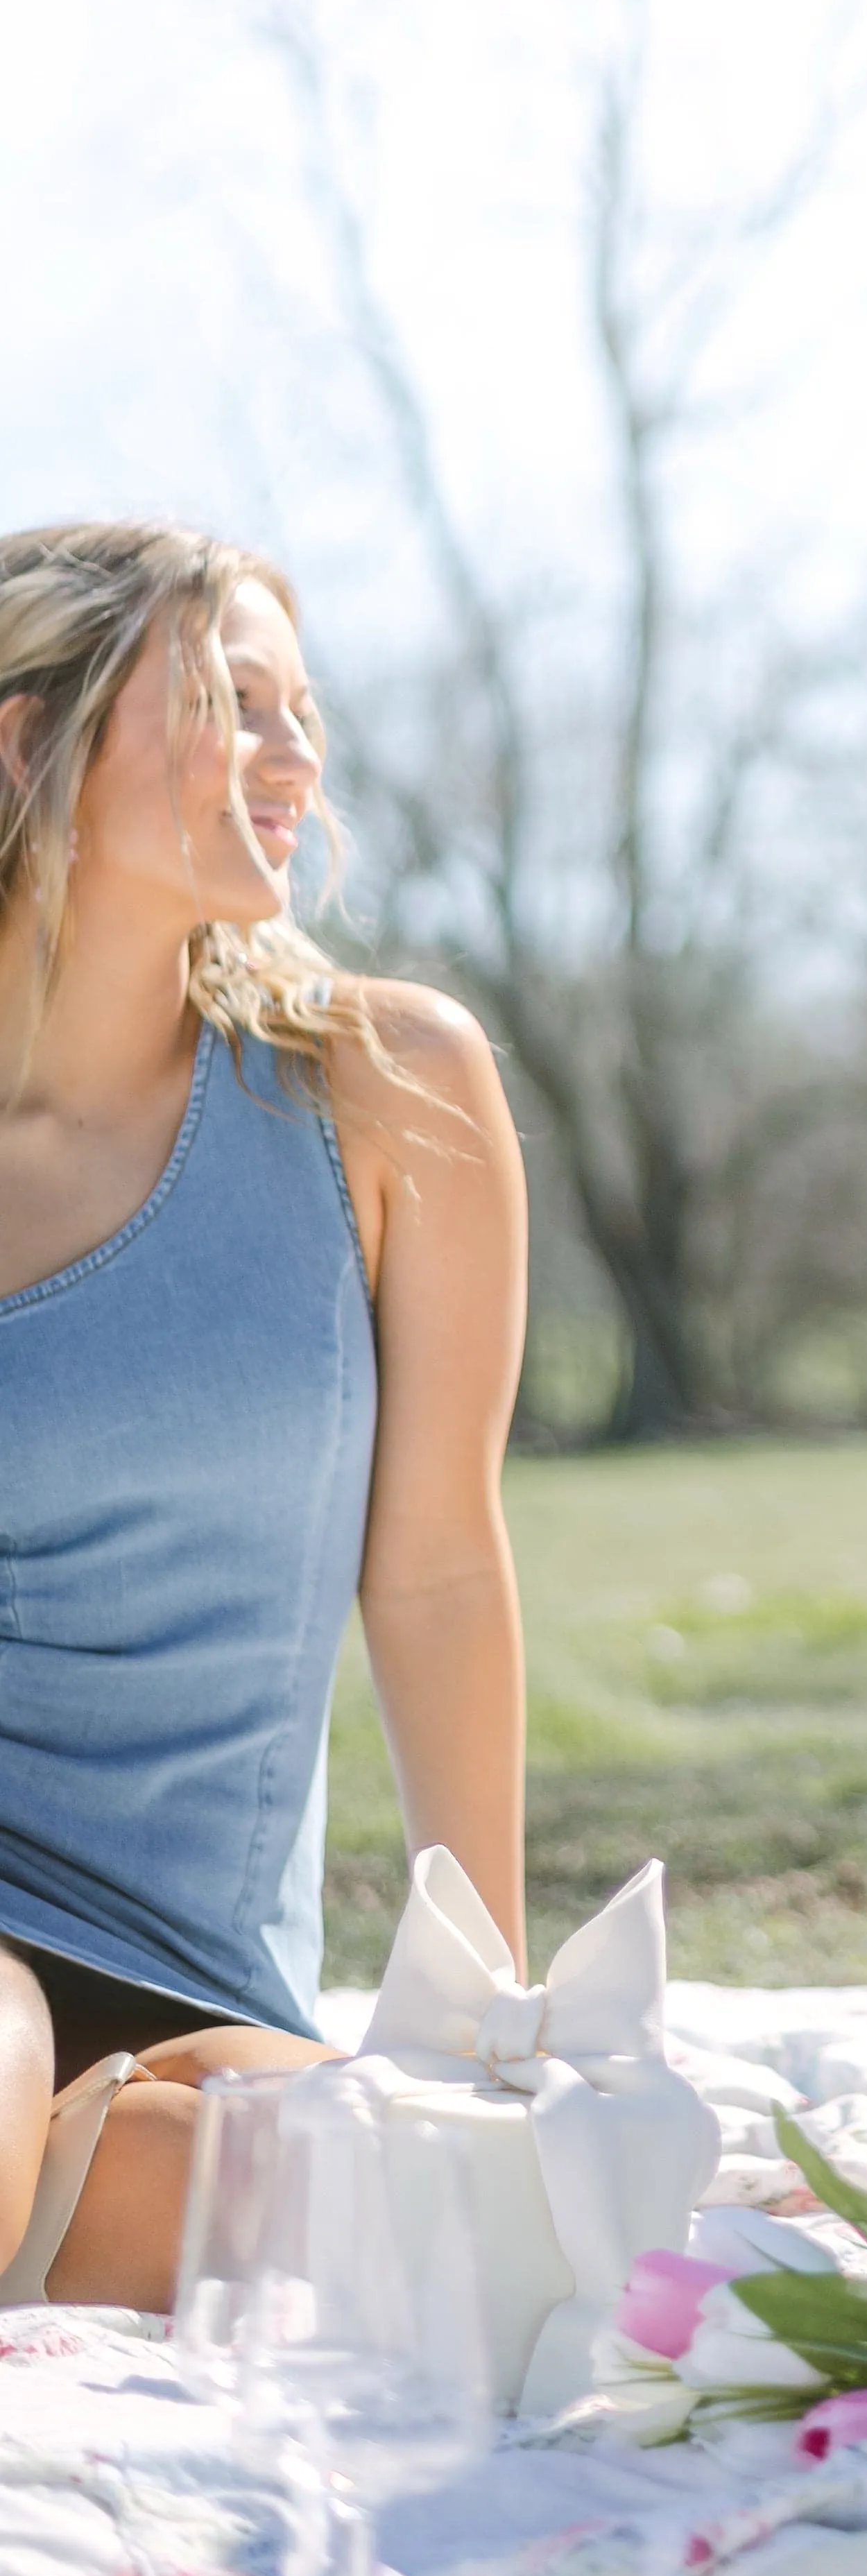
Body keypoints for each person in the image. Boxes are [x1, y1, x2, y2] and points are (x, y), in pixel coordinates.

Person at [0, 524, 528, 2308]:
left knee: (442, 2221)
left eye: (304, 709)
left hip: (196, 1977)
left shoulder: (382, 1089)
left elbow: (441, 1568)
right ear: (24, 745)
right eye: (233, 704)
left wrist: (493, 2010)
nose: (296, 756)